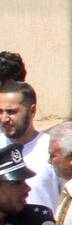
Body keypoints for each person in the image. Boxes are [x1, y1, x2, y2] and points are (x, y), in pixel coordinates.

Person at [0, 81, 62, 210]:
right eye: (0, 111)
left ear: (32, 111)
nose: (4, 119)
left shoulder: (54, 149)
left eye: (11, 112)